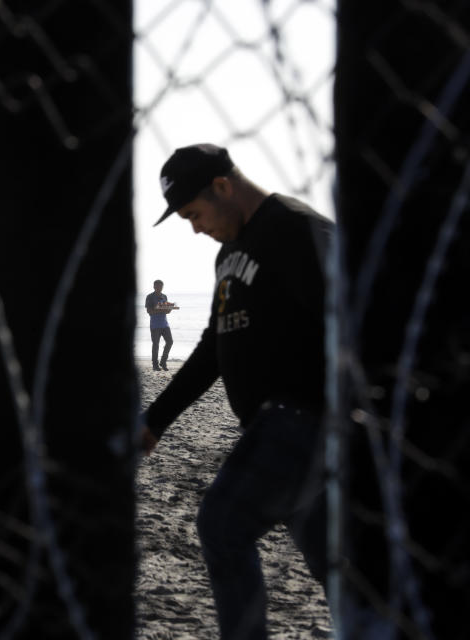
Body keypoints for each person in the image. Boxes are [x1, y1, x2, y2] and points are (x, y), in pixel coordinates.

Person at [141, 144, 333, 639]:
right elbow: (213, 348)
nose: (195, 228)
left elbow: (357, 323)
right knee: (341, 565)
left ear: (223, 187)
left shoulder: (294, 228)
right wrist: (154, 421)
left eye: (194, 214)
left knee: (223, 526)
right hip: (277, 426)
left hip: (306, 417)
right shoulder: (229, 254)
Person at [145, 280, 176, 371]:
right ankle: (155, 365)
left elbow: (167, 311)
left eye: (161, 286)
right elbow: (149, 311)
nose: (159, 288)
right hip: (155, 325)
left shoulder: (164, 296)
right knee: (156, 345)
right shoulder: (150, 297)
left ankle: (163, 362)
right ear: (154, 286)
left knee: (170, 342)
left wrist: (170, 309)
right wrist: (160, 310)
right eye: (157, 286)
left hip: (164, 324)